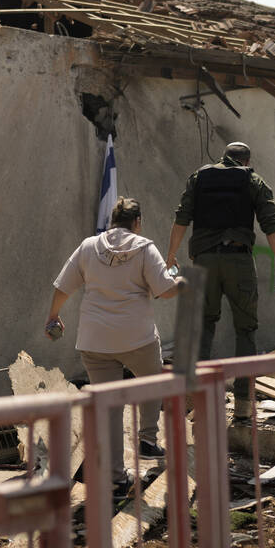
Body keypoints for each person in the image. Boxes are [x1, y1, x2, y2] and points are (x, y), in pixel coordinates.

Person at [45, 196, 182, 493]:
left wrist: (53, 316)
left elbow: (62, 286)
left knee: (108, 407)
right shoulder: (145, 248)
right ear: (138, 223)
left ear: (111, 223)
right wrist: (176, 276)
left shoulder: (88, 246)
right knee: (151, 381)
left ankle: (117, 478)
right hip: (137, 338)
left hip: (94, 341)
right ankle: (147, 438)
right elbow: (166, 291)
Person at [164, 141, 275, 420]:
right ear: (246, 161)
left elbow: (181, 219)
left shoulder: (199, 178)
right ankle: (244, 404)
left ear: (224, 158)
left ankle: (198, 400)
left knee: (204, 327)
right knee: (246, 330)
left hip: (204, 262)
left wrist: (171, 255)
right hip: (239, 261)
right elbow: (272, 228)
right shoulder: (253, 180)